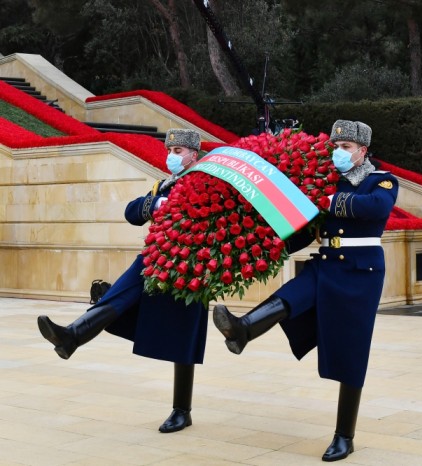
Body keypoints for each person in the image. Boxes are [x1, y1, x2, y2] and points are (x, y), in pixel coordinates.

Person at [212, 120, 398, 462]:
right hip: (326, 261)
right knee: (292, 294)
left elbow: (377, 208)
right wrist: (264, 247)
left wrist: (329, 199)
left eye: (345, 147)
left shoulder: (380, 181)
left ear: (362, 151)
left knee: (351, 352)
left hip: (360, 270)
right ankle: (243, 330)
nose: (338, 153)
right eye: (335, 146)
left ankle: (345, 435)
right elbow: (306, 226)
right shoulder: (328, 181)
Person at [37, 128, 208, 433]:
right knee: (118, 296)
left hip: (187, 263)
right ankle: (72, 336)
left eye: (179, 152)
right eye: (170, 151)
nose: (172, 156)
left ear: (194, 154)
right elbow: (132, 212)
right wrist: (154, 206)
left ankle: (182, 410)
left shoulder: (205, 182)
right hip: (153, 255)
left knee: (184, 334)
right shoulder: (163, 184)